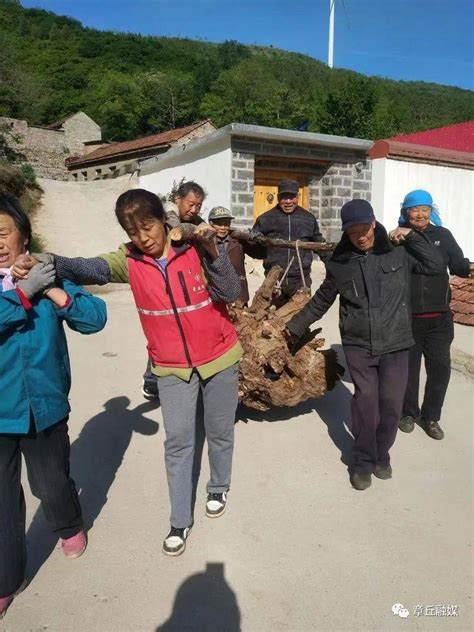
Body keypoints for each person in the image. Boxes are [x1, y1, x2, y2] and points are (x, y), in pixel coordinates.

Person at [14, 189, 242, 557]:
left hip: (220, 356)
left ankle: (218, 486)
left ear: (162, 221)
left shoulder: (193, 247)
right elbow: (85, 267)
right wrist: (42, 258)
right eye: (133, 231)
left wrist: (212, 251)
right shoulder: (129, 260)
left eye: (148, 226)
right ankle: (180, 520)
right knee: (179, 443)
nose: (144, 238)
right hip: (171, 367)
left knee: (219, 431)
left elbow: (230, 290)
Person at [285, 199, 443, 491]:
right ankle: (362, 462)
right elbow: (322, 299)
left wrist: (412, 235)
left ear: (374, 223)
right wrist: (293, 327)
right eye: (353, 231)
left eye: (364, 229)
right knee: (366, 402)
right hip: (359, 343)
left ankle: (382, 455)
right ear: (346, 232)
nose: (360, 236)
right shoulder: (340, 262)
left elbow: (435, 265)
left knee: (392, 404)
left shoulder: (399, 250)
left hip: (396, 342)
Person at [0, 194, 107, 619]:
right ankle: (7, 580)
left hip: (44, 406)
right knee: (2, 503)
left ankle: (68, 523)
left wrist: (55, 291)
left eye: (2, 233)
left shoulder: (44, 275)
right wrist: (20, 295)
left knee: (50, 483)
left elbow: (96, 318)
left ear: (24, 237)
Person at [396, 190, 473, 440]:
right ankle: (408, 412)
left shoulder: (443, 235)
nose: (419, 214)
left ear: (432, 210)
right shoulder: (398, 237)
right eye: (414, 209)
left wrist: (467, 266)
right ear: (406, 212)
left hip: (439, 318)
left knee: (439, 369)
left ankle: (431, 417)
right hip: (409, 317)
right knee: (409, 370)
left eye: (424, 209)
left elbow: (458, 265)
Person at [142, 180, 206, 399]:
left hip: (187, 283)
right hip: (163, 284)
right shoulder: (165, 216)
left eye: (198, 205)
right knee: (163, 334)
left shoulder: (195, 221)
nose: (194, 209)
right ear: (178, 199)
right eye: (190, 204)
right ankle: (151, 380)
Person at [251, 178, 325, 307]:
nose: (288, 202)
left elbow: (319, 244)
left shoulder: (308, 218)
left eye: (292, 197)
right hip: (274, 280)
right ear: (278, 198)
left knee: (300, 320)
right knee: (272, 321)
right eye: (284, 197)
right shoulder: (265, 219)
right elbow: (255, 249)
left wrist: (334, 264)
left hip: (300, 279)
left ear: (298, 196)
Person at [208, 206, 249, 306]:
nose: (223, 228)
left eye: (226, 224)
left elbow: (260, 253)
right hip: (215, 296)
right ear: (211, 224)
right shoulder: (206, 243)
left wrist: (254, 237)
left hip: (239, 296)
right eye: (219, 224)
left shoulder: (239, 241)